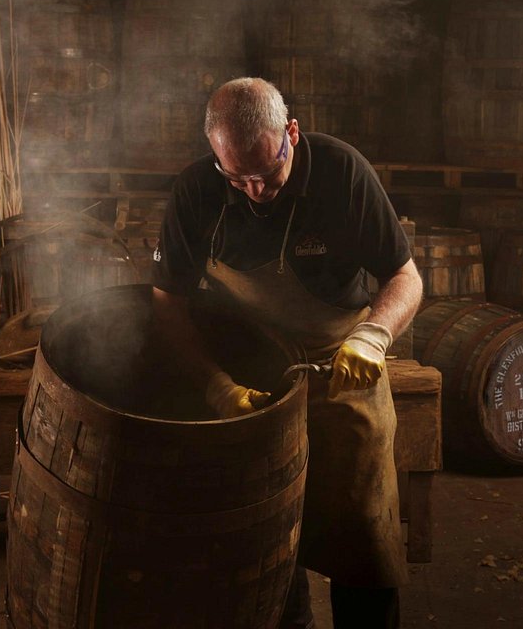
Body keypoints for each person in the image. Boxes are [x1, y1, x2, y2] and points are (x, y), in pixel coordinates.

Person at [150, 77, 423, 629]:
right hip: (249, 382)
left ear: (291, 135)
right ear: (215, 155)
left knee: (364, 544)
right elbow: (167, 303)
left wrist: (373, 336)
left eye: (267, 174)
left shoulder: (342, 173)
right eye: (237, 177)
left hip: (341, 368)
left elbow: (405, 276)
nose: (254, 191)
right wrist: (215, 385)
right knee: (266, 543)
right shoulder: (196, 191)